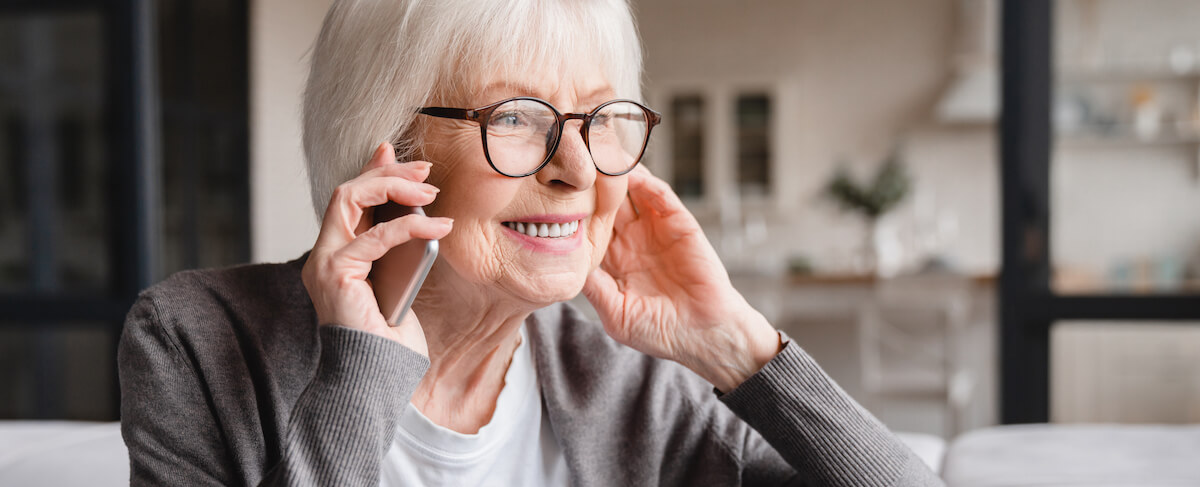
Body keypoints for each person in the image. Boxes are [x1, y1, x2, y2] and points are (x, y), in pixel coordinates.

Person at [118, 0, 944, 485]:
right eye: (518, 118)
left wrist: (738, 346)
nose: (578, 169)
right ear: (387, 146)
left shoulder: (631, 381)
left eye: (598, 119)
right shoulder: (195, 339)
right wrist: (359, 373)